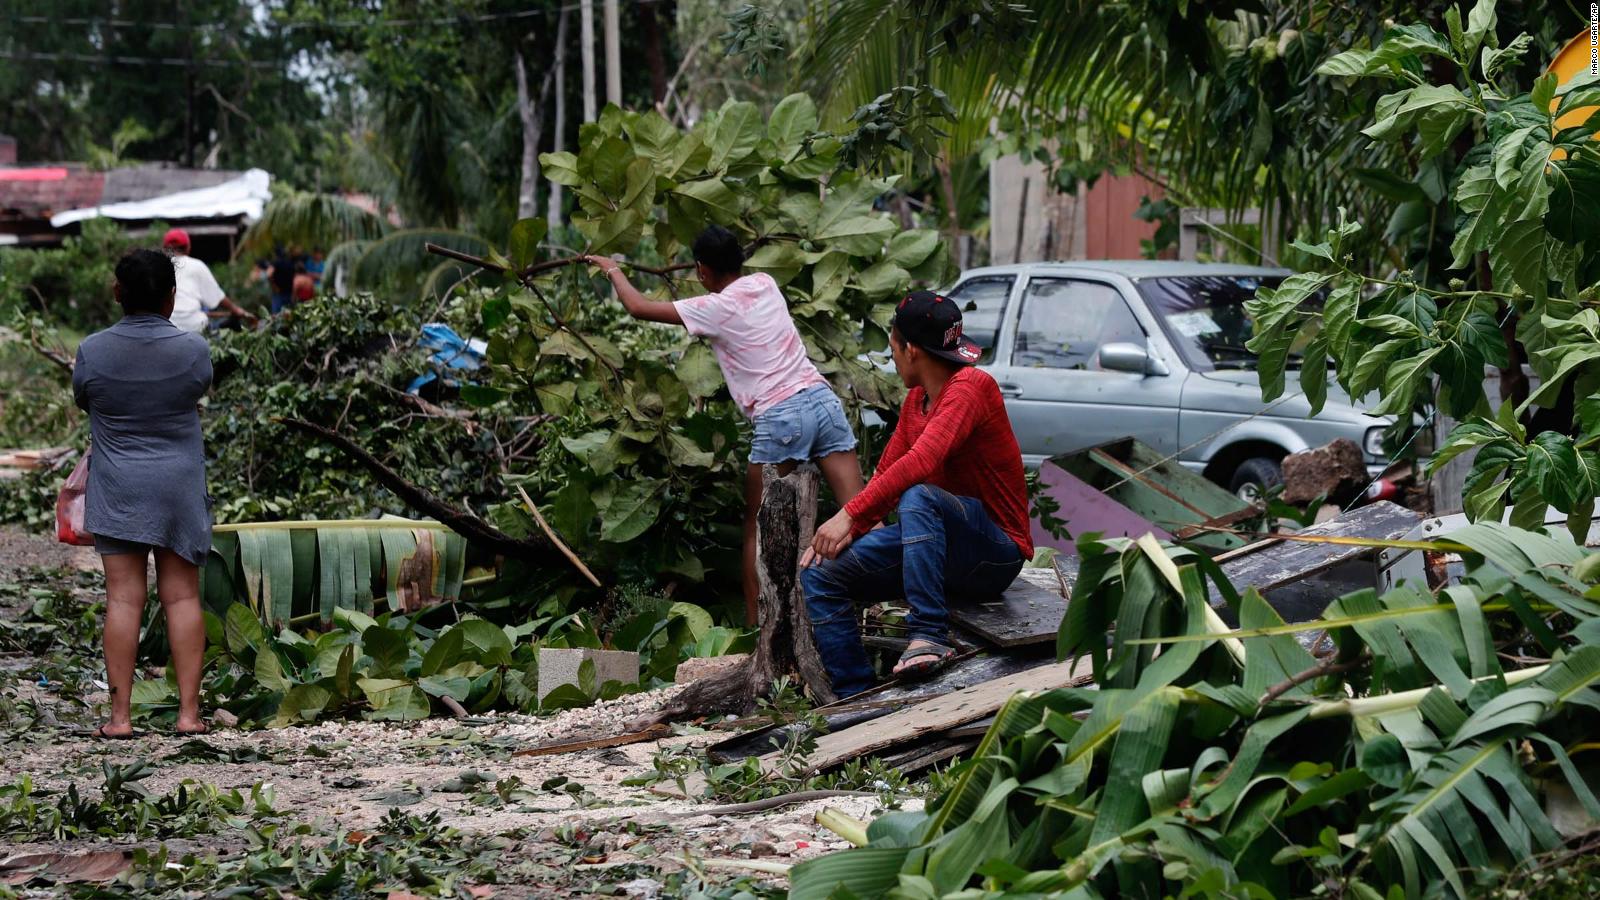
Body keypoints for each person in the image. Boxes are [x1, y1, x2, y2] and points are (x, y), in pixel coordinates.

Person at [585, 225, 865, 622]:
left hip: (781, 416)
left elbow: (638, 307)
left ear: (702, 270)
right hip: (822, 401)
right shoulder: (766, 283)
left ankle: (754, 634)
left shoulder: (712, 309)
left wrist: (612, 269)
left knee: (757, 529)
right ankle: (892, 605)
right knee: (860, 512)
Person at [801, 291, 1032, 698]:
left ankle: (928, 633)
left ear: (909, 350)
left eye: (892, 349)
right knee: (820, 572)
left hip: (996, 552)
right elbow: (888, 472)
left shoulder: (972, 387)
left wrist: (849, 515)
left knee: (918, 497)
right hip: (940, 547)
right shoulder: (915, 402)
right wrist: (852, 530)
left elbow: (923, 461)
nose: (893, 360)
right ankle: (855, 695)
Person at [73, 248, 213, 738]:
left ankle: (120, 719)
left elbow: (84, 396)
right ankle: (189, 716)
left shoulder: (93, 350)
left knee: (123, 601)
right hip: (178, 486)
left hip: (118, 487)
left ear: (118, 294)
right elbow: (196, 390)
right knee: (181, 598)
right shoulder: (194, 350)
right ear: (171, 298)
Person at [162, 228, 257, 333]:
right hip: (194, 326)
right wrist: (238, 311)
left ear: (165, 248)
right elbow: (218, 297)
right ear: (188, 248)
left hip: (165, 326)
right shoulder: (197, 265)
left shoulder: (158, 267)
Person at [267, 246, 296, 314]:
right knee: (289, 316)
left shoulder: (276, 263)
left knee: (276, 316)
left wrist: (274, 286)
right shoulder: (290, 263)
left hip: (279, 293)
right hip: (289, 293)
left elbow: (269, 274)